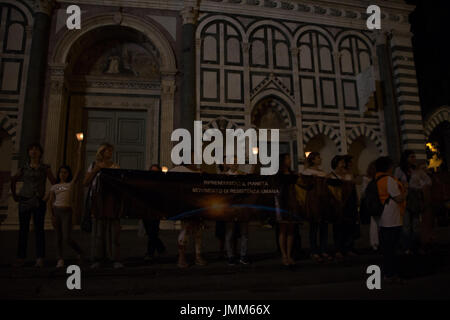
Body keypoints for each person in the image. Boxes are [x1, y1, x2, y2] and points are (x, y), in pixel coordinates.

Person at [11, 143, 56, 267]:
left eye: (36, 149)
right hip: (24, 200)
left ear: (40, 153)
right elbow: (13, 180)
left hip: (38, 201)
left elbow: (54, 182)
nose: (34, 152)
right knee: (23, 230)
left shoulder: (45, 168)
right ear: (28, 152)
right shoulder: (24, 168)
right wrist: (15, 195)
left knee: (39, 230)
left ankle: (40, 257)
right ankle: (21, 257)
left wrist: (47, 196)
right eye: (31, 149)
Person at [83, 143, 122, 269]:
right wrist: (95, 170)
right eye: (107, 151)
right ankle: (97, 258)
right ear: (102, 152)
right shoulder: (94, 165)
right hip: (97, 200)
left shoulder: (115, 166)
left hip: (111, 200)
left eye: (111, 151)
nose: (110, 153)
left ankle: (114, 258)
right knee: (98, 231)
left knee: (113, 230)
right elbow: (86, 182)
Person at [48, 141, 83, 268]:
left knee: (67, 237)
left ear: (68, 174)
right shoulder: (55, 186)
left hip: (67, 212)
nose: (63, 174)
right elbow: (50, 201)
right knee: (58, 237)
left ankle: (79, 252)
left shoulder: (70, 184)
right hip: (57, 211)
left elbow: (79, 170)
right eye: (61, 172)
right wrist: (51, 215)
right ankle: (60, 258)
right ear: (58, 174)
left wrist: (79, 151)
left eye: (65, 172)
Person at [375, 156, 407, 283]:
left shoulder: (377, 179)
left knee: (387, 249)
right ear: (389, 167)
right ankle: (391, 274)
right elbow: (398, 198)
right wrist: (405, 190)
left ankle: (388, 274)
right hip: (392, 219)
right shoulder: (389, 180)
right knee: (391, 250)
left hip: (383, 219)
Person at [170, 160, 206, 268]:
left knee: (186, 231)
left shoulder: (174, 170)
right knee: (196, 233)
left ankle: (183, 258)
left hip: (183, 207)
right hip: (193, 207)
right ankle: (196, 257)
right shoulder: (193, 172)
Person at [302, 152, 331, 263]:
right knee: (314, 227)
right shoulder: (307, 172)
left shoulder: (322, 172)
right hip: (314, 201)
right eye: (318, 157)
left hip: (324, 201)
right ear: (313, 160)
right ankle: (314, 251)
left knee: (324, 227)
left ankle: (323, 250)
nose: (320, 159)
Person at [222, 157, 250, 266]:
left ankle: (243, 255)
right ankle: (231, 256)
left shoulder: (243, 175)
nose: (235, 163)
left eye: (237, 162)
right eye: (233, 162)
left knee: (244, 232)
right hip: (230, 208)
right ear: (229, 164)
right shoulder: (225, 176)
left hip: (242, 207)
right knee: (229, 233)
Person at [327, 155, 354, 261]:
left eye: (343, 162)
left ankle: (348, 248)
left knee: (349, 226)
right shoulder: (331, 175)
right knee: (338, 227)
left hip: (348, 203)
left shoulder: (348, 174)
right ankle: (338, 249)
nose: (343, 164)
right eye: (341, 162)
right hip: (337, 204)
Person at [276, 153, 299, 266]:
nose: (289, 160)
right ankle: (284, 255)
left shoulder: (292, 174)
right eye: (287, 159)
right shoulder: (279, 174)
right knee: (283, 230)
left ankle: (289, 254)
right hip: (282, 203)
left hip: (292, 203)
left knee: (291, 230)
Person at [394, 150, 418, 254]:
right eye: (411, 157)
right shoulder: (399, 170)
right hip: (404, 199)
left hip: (414, 199)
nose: (414, 159)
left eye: (414, 157)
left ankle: (415, 246)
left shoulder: (415, 170)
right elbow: (395, 183)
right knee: (406, 224)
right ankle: (406, 247)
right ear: (406, 158)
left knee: (416, 224)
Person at [142, 164, 166, 262]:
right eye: (152, 171)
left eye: (156, 171)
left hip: (156, 210)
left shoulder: (161, 183)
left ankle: (150, 253)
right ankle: (161, 248)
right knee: (150, 232)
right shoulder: (145, 182)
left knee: (153, 231)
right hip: (145, 209)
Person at [360, 161, 379, 251]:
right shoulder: (367, 179)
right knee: (372, 224)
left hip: (373, 203)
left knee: (374, 225)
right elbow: (364, 193)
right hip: (371, 203)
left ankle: (375, 243)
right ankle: (373, 243)